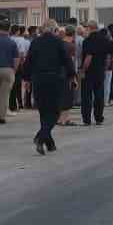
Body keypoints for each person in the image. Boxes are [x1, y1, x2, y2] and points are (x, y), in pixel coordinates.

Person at [24, 21, 75, 155]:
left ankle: (50, 143)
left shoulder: (35, 42)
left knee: (43, 110)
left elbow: (29, 61)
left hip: (38, 80)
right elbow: (66, 60)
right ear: (54, 30)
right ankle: (40, 138)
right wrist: (72, 75)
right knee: (55, 111)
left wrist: (26, 79)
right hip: (54, 79)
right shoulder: (58, 42)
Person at [80, 20, 112, 126]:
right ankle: (98, 118)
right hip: (100, 71)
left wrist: (83, 70)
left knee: (86, 96)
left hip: (89, 72)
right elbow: (109, 53)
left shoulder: (88, 40)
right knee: (99, 94)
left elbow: (89, 57)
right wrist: (106, 66)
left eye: (86, 28)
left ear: (90, 28)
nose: (85, 29)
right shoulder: (104, 39)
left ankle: (87, 119)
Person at [10, 25, 31, 113]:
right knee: (18, 85)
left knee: (11, 85)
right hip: (18, 64)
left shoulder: (9, 39)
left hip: (9, 64)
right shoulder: (21, 40)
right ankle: (20, 103)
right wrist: (22, 65)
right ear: (18, 31)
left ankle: (12, 104)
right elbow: (21, 55)